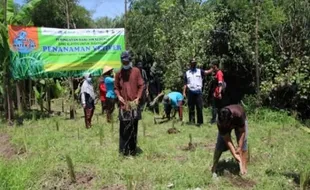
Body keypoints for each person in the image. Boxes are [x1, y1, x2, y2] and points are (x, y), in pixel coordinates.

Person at [115, 51, 144, 156]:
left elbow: (141, 85)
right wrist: (118, 96)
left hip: (134, 104)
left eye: (127, 62)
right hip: (124, 105)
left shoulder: (136, 71)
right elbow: (116, 88)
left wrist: (138, 97)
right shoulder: (119, 73)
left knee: (133, 127)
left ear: (130, 60)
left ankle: (132, 150)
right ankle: (123, 151)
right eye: (123, 62)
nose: (125, 64)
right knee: (123, 128)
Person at [211, 104, 248, 175]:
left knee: (243, 143)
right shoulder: (220, 120)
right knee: (220, 144)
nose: (225, 125)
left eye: (226, 123)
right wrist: (234, 154)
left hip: (239, 122)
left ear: (230, 118)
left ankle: (243, 169)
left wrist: (239, 147)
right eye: (223, 124)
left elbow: (242, 131)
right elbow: (227, 139)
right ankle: (214, 167)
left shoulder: (239, 115)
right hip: (228, 124)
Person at [183, 58, 213, 127]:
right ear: (190, 64)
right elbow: (185, 84)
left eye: (195, 63)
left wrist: (212, 68)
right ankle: (192, 121)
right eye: (192, 63)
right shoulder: (187, 73)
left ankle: (200, 122)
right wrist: (184, 92)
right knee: (191, 107)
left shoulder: (200, 71)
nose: (194, 64)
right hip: (190, 92)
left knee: (199, 107)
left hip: (198, 92)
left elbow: (207, 72)